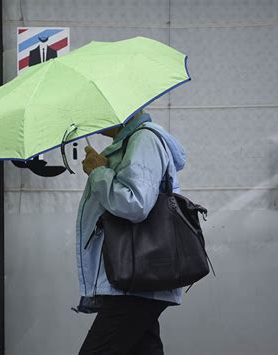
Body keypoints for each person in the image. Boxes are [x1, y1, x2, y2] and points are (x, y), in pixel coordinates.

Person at [76, 110, 187, 354]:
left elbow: (135, 204)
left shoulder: (143, 141)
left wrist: (98, 172)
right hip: (135, 278)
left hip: (135, 277)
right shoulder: (130, 144)